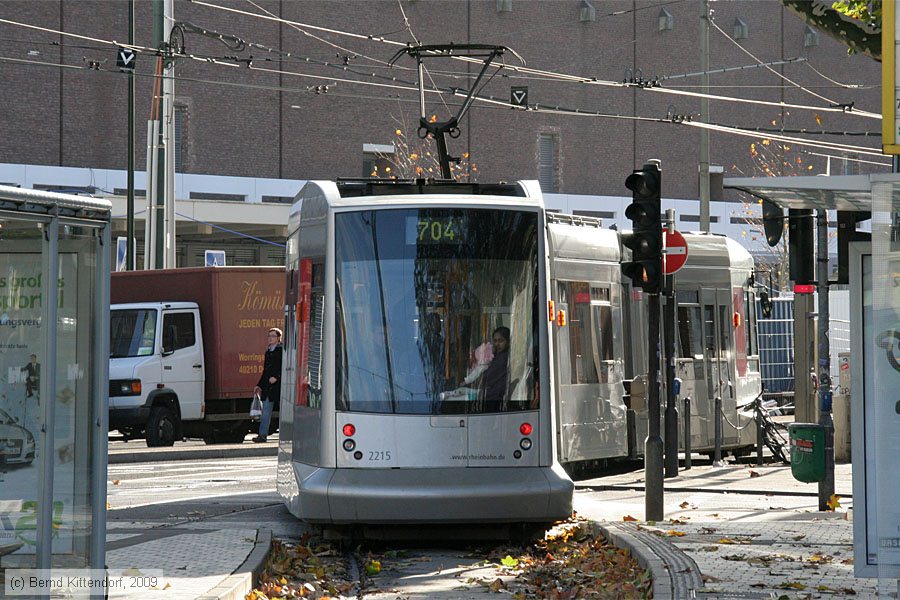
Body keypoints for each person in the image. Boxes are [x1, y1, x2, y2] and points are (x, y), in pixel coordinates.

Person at [253, 328, 282, 443]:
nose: (270, 338)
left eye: (273, 336)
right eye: (269, 336)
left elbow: (285, 367)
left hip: (279, 387)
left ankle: (289, 436)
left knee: (285, 413)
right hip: (268, 388)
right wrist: (259, 385)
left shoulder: (281, 350)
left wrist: (277, 377)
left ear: (279, 338)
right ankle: (262, 435)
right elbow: (266, 371)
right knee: (266, 412)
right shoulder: (268, 351)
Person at [477, 326, 510, 411]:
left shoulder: (503, 358)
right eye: (495, 341)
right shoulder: (494, 355)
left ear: (508, 341)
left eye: (501, 341)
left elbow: (487, 377)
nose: (497, 344)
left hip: (495, 399)